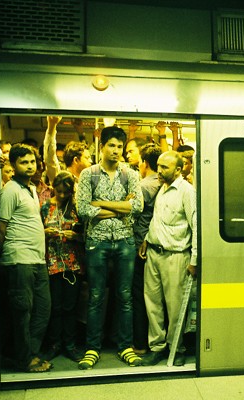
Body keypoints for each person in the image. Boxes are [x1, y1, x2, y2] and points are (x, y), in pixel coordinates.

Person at [76, 126, 144, 369]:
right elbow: (83, 209)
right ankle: (92, 349)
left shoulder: (131, 174)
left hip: (125, 239)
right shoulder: (89, 174)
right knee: (96, 296)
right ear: (102, 147)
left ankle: (124, 346)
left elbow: (137, 207)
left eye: (119, 146)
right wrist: (120, 206)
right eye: (111, 146)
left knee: (125, 296)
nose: (116, 151)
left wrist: (100, 204)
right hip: (98, 240)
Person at [139, 150, 197, 367]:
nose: (159, 171)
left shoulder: (186, 192)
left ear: (179, 170)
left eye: (165, 167)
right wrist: (147, 238)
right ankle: (157, 347)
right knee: (152, 303)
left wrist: (195, 260)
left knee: (174, 307)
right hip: (154, 253)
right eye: (159, 166)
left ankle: (176, 347)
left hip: (176, 255)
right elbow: (159, 219)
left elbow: (196, 225)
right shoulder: (162, 189)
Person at [0, 143, 52, 373]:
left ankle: (30, 353)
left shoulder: (31, 189)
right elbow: (1, 228)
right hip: (19, 259)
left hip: (37, 260)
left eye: (32, 162)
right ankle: (24, 359)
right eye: (24, 162)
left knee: (42, 310)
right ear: (13, 165)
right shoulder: (10, 190)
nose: (30, 166)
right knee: (22, 313)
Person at [40, 171, 84, 363]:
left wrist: (77, 237)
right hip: (51, 262)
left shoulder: (76, 208)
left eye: (66, 192)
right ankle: (54, 343)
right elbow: (35, 232)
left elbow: (87, 235)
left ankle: (70, 344)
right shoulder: (45, 208)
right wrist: (45, 233)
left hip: (72, 263)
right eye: (59, 192)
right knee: (55, 306)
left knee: (70, 306)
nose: (63, 196)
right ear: (54, 190)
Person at [132, 143, 162, 355]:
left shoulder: (143, 186)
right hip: (156, 244)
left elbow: (132, 212)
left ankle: (140, 343)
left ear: (144, 163)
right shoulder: (165, 185)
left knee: (139, 295)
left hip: (139, 245)